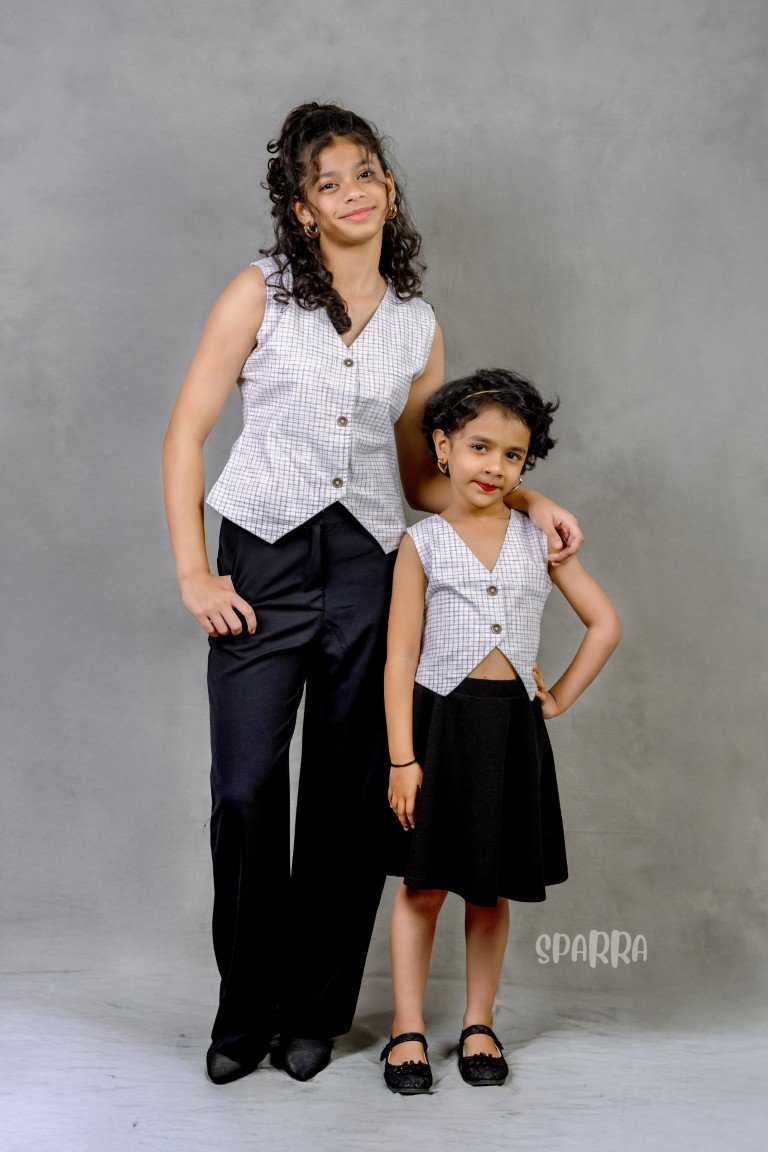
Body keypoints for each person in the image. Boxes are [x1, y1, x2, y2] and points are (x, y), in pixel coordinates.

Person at [162, 102, 584, 1086]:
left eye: (366, 174)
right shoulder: (259, 294)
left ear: (388, 190)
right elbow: (186, 433)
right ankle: (244, 1011)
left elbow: (422, 474)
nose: (353, 192)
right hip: (262, 561)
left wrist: (529, 498)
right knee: (246, 790)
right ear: (303, 209)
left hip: (369, 568)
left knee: (349, 798)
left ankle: (316, 1011)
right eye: (329, 182)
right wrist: (192, 571)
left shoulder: (415, 325)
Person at [379, 369, 621, 1093]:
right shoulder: (422, 543)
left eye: (512, 455)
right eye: (479, 447)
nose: (494, 466)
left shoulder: (538, 541)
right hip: (437, 729)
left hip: (510, 732)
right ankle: (406, 1028)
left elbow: (605, 624)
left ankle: (479, 1023)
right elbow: (399, 658)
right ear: (443, 449)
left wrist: (558, 698)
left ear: (525, 465)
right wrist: (402, 759)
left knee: (489, 892)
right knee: (423, 887)